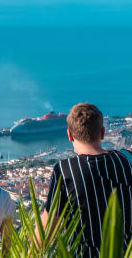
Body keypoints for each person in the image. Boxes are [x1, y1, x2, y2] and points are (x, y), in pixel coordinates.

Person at [42, 103, 132, 257]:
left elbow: (47, 228)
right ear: (103, 133)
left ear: (69, 135)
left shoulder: (65, 170)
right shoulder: (126, 159)